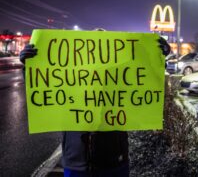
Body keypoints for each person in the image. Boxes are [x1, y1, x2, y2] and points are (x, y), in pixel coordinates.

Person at [20, 35, 170, 177]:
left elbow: (147, 86)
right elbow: (44, 89)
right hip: (76, 164)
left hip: (113, 163)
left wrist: (158, 58)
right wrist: (29, 66)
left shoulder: (120, 82)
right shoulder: (70, 83)